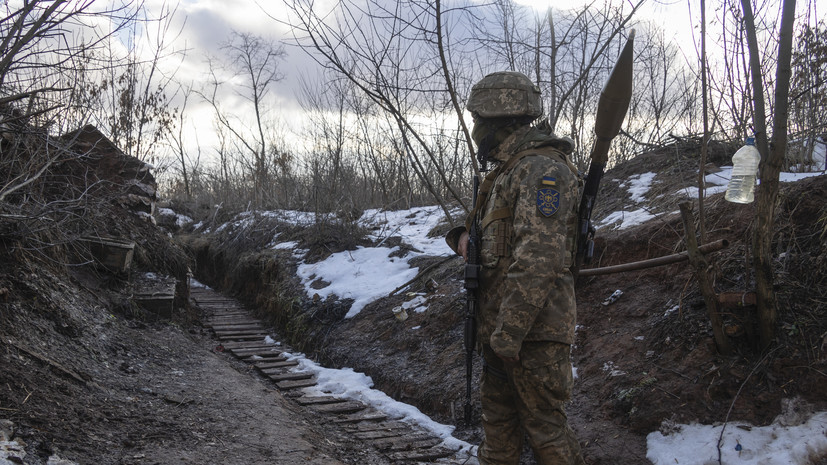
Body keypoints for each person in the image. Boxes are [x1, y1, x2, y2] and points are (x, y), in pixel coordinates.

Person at [445, 71, 586, 465]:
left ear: (497, 121)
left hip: (532, 335)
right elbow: (501, 243)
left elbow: (538, 260)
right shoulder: (508, 170)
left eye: (478, 122)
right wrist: (465, 238)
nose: (474, 131)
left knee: (546, 433)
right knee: (498, 432)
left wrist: (509, 334)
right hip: (502, 332)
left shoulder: (541, 170)